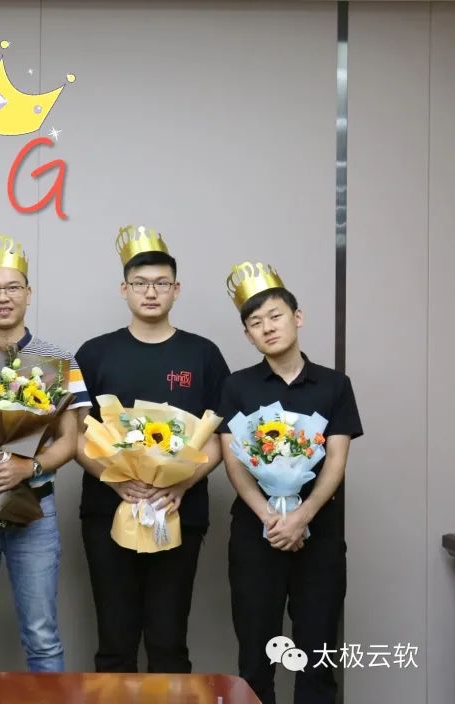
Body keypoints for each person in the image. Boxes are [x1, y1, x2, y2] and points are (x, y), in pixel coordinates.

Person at [74, 225, 229, 673]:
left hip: (179, 510)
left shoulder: (203, 354)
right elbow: (76, 434)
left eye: (161, 283)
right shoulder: (95, 353)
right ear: (124, 289)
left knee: (168, 640)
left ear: (176, 290)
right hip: (108, 509)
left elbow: (218, 436)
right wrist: (115, 481)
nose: (151, 292)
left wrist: (181, 484)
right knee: (114, 641)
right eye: (140, 283)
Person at [219, 262, 362, 704]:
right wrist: (270, 517)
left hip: (319, 535)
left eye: (275, 316)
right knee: (255, 657)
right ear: (248, 335)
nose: (267, 327)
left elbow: (336, 459)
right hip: (255, 534)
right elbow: (233, 461)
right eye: (255, 322)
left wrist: (302, 516)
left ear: (297, 317)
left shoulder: (334, 385)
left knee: (318, 655)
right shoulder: (236, 386)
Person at [0, 233, 89, 672]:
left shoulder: (59, 360)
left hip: (36, 510)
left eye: (12, 287)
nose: (3, 297)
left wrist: (29, 467)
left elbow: (71, 439)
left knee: (42, 634)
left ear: (29, 294)